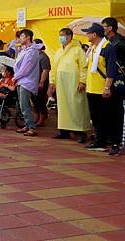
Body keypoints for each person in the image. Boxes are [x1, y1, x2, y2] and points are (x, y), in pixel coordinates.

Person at [82, 23, 122, 155]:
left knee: (111, 117)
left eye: (88, 33)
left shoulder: (107, 48)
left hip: (104, 90)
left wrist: (107, 87)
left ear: (94, 35)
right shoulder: (93, 48)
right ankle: (100, 141)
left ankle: (115, 143)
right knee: (97, 118)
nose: (86, 35)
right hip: (92, 89)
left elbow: (111, 70)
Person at [48, 28, 90, 144]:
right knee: (62, 107)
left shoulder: (78, 50)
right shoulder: (58, 51)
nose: (61, 37)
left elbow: (83, 67)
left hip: (74, 82)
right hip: (61, 84)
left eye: (63, 35)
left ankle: (80, 132)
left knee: (76, 106)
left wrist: (82, 81)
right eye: (59, 35)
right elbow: (53, 68)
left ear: (70, 36)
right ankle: (64, 130)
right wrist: (52, 82)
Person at [101, 17, 125, 150]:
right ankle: (110, 136)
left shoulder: (119, 42)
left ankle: (117, 140)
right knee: (108, 110)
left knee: (116, 111)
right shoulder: (107, 42)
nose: (102, 28)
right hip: (108, 80)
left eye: (103, 26)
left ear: (110, 28)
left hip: (117, 82)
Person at [13, 29, 43, 136]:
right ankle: (27, 124)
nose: (20, 39)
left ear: (28, 37)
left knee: (25, 105)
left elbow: (26, 68)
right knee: (23, 105)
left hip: (27, 81)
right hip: (21, 80)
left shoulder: (32, 51)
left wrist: (15, 77)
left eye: (22, 36)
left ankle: (31, 127)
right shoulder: (25, 50)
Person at [33, 39, 51, 126]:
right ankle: (36, 116)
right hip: (34, 82)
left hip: (40, 82)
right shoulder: (35, 55)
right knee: (35, 100)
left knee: (40, 100)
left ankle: (42, 117)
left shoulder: (43, 57)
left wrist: (42, 82)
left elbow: (45, 70)